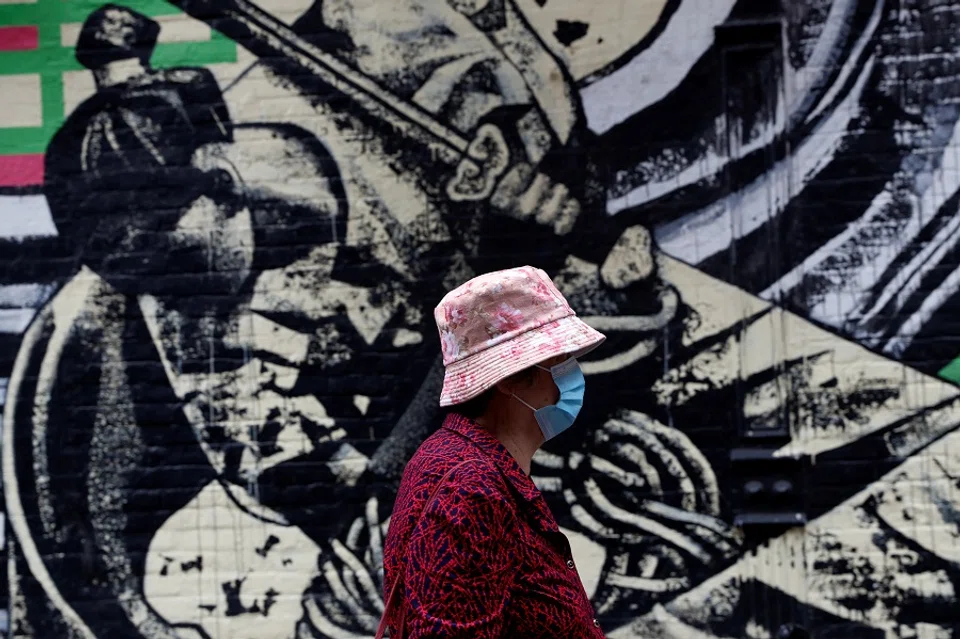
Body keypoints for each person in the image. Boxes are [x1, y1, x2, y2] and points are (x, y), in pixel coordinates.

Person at [379, 265, 608, 637]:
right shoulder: (468, 488)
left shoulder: (477, 469)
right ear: (511, 379)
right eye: (561, 361)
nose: (574, 373)